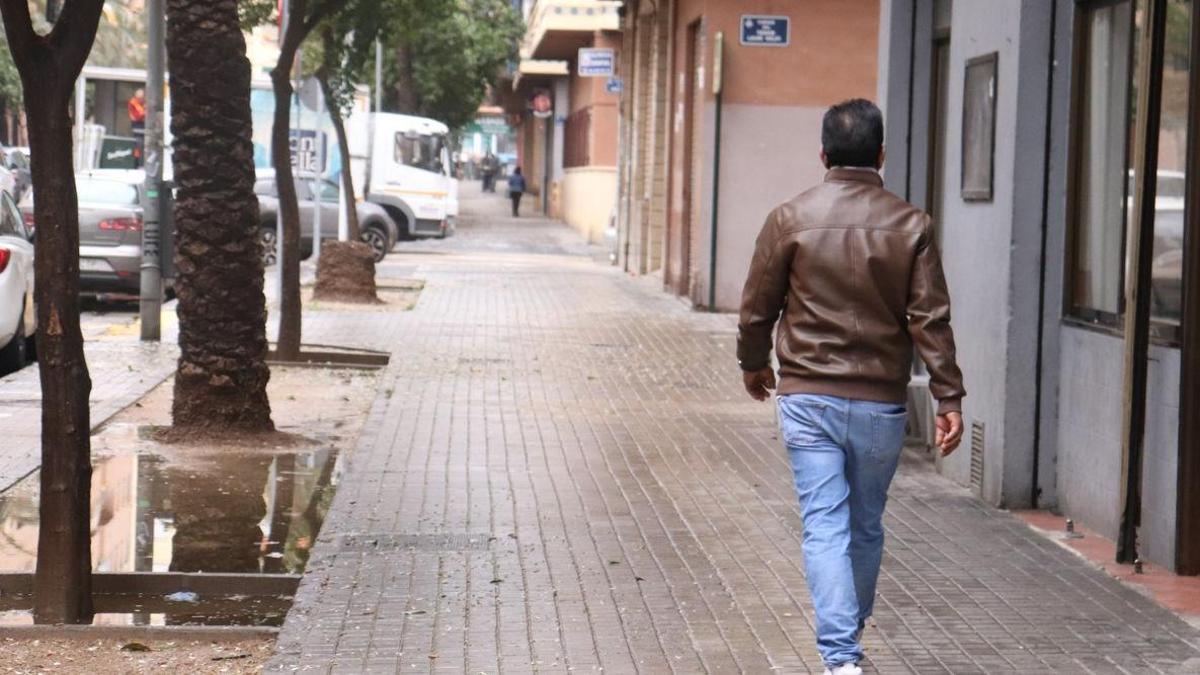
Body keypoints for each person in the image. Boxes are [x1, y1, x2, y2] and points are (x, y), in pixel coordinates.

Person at [736, 99, 965, 675]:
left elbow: (757, 306)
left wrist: (754, 364)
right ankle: (846, 642)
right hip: (880, 405)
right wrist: (948, 396)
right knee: (863, 525)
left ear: (822, 155)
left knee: (825, 524)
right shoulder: (912, 225)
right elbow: (929, 318)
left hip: (807, 398)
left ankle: (841, 657)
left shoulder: (790, 218)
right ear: (881, 153)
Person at [128, 88, 146, 167]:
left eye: (142, 97)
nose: (141, 99)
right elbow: (135, 117)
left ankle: (143, 163)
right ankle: (136, 163)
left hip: (145, 126)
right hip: (137, 126)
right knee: (137, 145)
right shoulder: (133, 103)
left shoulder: (145, 103)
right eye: (139, 98)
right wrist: (143, 114)